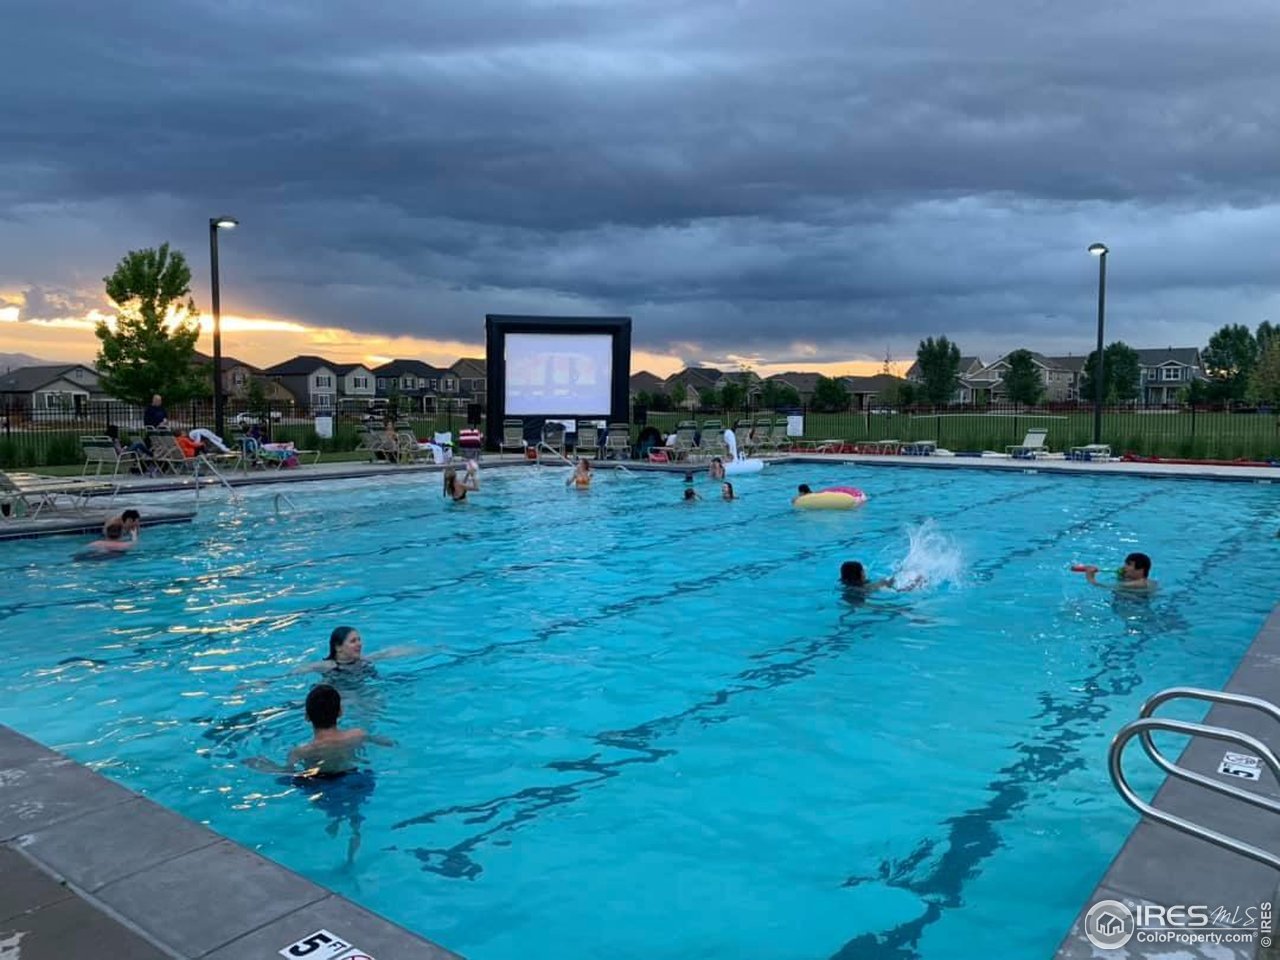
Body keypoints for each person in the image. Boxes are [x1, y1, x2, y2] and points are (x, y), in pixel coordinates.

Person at [296, 625, 422, 676]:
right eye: (353, 641)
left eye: (359, 640)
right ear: (338, 647)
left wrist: (428, 650)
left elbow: (390, 652)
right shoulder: (329, 665)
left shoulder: (364, 660)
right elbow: (303, 669)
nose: (359, 644)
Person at [1077, 552, 1157, 591]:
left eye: (1129, 565)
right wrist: (1120, 576)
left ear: (1140, 570)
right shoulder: (1137, 581)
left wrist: (1090, 578)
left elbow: (1105, 587)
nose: (1124, 567)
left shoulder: (1140, 583)